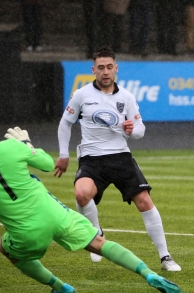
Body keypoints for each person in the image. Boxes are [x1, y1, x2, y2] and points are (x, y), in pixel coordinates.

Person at [0, 112, 184, 293]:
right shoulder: (11, 147)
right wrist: (26, 144)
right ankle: (147, 273)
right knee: (99, 243)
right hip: (55, 212)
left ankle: (60, 288)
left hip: (26, 232)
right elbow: (48, 164)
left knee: (7, 250)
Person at [54, 46, 181, 272]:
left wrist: (132, 129)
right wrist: (64, 154)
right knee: (81, 194)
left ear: (116, 69)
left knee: (144, 201)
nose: (105, 72)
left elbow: (140, 130)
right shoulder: (81, 95)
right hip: (92, 159)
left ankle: (165, 257)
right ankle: (97, 234)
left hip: (121, 157)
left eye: (109, 67)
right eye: (101, 67)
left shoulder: (127, 97)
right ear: (93, 70)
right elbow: (65, 123)